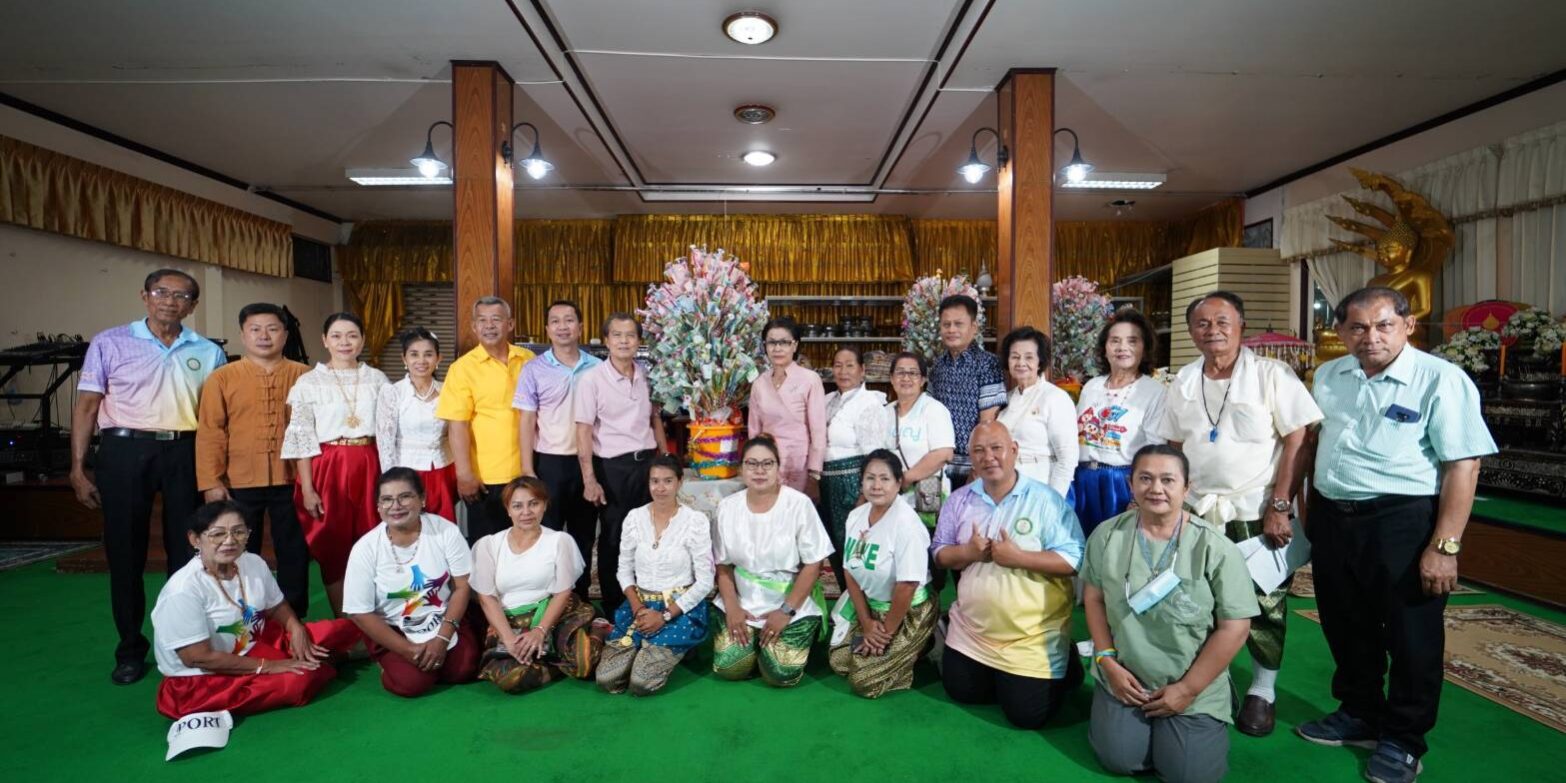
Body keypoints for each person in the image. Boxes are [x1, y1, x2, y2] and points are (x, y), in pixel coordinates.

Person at [1296, 287, 1497, 783]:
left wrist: (1445, 546)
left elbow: (1463, 466)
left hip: (1403, 521)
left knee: (1412, 636)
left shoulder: (1440, 379)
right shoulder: (1329, 375)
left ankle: (1404, 739)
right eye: (1358, 327)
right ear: (1340, 332)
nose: (1371, 337)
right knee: (1345, 623)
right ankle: (1359, 712)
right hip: (1334, 518)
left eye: (1384, 325)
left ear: (1408, 326)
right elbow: (1312, 444)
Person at [1152, 290, 1322, 737]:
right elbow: (1173, 446)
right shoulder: (1184, 379)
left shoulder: (1271, 374)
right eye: (1202, 323)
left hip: (1256, 509)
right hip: (1197, 510)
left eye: (1222, 321)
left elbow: (1299, 439)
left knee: (1264, 602)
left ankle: (1262, 691)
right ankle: (1212, 679)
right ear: (1191, 332)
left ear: (1241, 325)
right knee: (1197, 599)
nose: (1213, 331)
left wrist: (1280, 505)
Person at [71, 268, 227, 684]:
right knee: (125, 554)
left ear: (193, 306)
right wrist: (78, 467)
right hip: (124, 450)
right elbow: (86, 407)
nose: (170, 301)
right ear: (145, 296)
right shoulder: (109, 342)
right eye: (161, 292)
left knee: (187, 555)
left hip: (184, 450)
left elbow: (215, 419)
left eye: (181, 296)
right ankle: (129, 651)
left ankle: (184, 645)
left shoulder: (208, 351)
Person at [1082, 445, 1259, 783]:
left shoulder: (1215, 547)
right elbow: (1094, 599)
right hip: (1126, 677)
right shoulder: (1107, 535)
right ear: (1130, 484)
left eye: (1168, 480)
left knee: (1188, 775)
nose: (1156, 488)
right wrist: (1107, 660)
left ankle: (1200, 715)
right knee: (1119, 759)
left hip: (1191, 682)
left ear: (1186, 488)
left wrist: (1188, 689)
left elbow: (1235, 627)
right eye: (1145, 478)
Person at [932, 421, 1085, 729]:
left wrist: (1019, 558)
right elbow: (939, 553)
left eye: (996, 448)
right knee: (962, 691)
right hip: (973, 631)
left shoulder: (1045, 499)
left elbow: (1075, 559)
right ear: (971, 458)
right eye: (979, 450)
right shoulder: (959, 500)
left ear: (1014, 451)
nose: (988, 457)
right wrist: (969, 553)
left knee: (1026, 715)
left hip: (1031, 635)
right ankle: (1004, 675)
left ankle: (1064, 660)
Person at [150, 501, 362, 719]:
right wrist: (268, 666)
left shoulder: (252, 562)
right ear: (195, 539)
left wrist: (296, 628)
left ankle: (323, 660)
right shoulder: (182, 590)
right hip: (205, 676)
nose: (229, 541)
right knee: (300, 681)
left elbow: (277, 606)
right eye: (218, 534)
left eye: (238, 532)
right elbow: (197, 658)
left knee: (342, 629)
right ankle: (330, 660)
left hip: (254, 645)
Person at [196, 303, 312, 617]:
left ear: (285, 335)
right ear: (243, 335)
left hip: (293, 480)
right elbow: (210, 432)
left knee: (294, 552)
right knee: (240, 552)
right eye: (255, 329)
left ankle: (294, 621)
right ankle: (243, 619)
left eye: (272, 329)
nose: (264, 336)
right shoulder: (222, 378)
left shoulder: (306, 376)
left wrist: (313, 482)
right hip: (238, 481)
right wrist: (211, 481)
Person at [281, 312, 389, 614]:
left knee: (375, 540)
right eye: (337, 336)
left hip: (371, 464)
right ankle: (345, 621)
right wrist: (307, 489)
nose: (345, 342)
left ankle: (376, 621)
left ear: (363, 340)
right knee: (333, 544)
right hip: (328, 468)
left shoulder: (377, 379)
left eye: (352, 335)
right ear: (325, 340)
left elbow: (388, 430)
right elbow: (302, 438)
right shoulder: (309, 382)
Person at [343, 468, 481, 697]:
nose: (395, 506)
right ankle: (386, 663)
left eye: (405, 496)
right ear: (378, 507)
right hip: (394, 627)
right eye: (387, 499)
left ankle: (436, 659)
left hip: (441, 617)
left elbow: (462, 586)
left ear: (422, 499)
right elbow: (359, 613)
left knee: (464, 670)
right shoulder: (365, 548)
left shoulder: (445, 531)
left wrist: (442, 638)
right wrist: (407, 650)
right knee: (412, 684)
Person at [712, 435, 835, 687]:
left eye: (767, 463)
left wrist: (786, 611)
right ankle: (755, 645)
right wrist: (733, 607)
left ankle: (776, 645)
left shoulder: (798, 504)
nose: (759, 471)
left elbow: (814, 563)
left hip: (789, 601)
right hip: (744, 602)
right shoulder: (727, 508)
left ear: (778, 467)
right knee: (729, 667)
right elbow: (722, 565)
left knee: (779, 672)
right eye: (752, 463)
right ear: (741, 468)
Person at [574, 312, 669, 617]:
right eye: (617, 335)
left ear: (639, 341)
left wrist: (665, 458)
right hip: (612, 468)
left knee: (649, 533)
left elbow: (655, 419)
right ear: (606, 340)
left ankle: (647, 596)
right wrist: (589, 479)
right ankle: (615, 605)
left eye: (630, 335)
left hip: (647, 466)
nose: (624, 341)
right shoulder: (591, 380)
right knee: (614, 537)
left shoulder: (646, 376)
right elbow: (583, 431)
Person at [471, 476, 604, 693]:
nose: (526, 512)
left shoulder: (560, 541)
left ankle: (598, 630)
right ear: (508, 509)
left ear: (544, 505)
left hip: (554, 616)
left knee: (586, 663)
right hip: (509, 621)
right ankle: (554, 661)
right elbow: (487, 598)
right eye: (518, 506)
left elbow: (562, 592)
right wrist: (509, 639)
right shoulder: (489, 545)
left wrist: (540, 631)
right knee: (512, 679)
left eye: (533, 504)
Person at [598, 455, 714, 696]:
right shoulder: (634, 517)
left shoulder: (695, 521)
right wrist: (638, 609)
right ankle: (646, 647)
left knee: (641, 683)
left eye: (668, 481)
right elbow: (623, 570)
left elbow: (705, 581)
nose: (660, 488)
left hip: (678, 609)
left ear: (680, 482)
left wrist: (665, 615)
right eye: (655, 481)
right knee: (606, 679)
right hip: (639, 608)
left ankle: (677, 646)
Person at [827, 449, 935, 699]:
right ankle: (908, 651)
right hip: (870, 607)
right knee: (840, 662)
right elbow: (849, 570)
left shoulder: (906, 524)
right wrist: (866, 622)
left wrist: (883, 635)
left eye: (885, 478)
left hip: (905, 611)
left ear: (898, 483)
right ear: (861, 482)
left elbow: (907, 586)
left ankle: (924, 640)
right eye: (870, 478)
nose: (876, 486)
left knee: (865, 682)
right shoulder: (856, 516)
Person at [514, 300, 602, 602]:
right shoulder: (533, 369)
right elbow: (527, 420)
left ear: (580, 327)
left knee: (583, 536)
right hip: (549, 464)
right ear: (547, 329)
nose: (562, 327)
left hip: (588, 464)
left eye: (569, 320)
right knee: (546, 534)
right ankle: (545, 602)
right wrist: (527, 469)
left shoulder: (597, 368)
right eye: (555, 321)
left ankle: (579, 602)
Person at [436, 296, 536, 546]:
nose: (489, 326)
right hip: (486, 477)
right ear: (474, 327)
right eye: (482, 320)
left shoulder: (529, 360)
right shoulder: (462, 368)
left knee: (527, 543)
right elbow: (457, 425)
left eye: (496, 319)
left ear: (510, 324)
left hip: (529, 470)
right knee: (487, 548)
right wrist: (464, 474)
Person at [1075, 308, 1168, 536]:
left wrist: (1139, 496)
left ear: (1144, 348)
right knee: (1080, 547)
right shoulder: (1091, 387)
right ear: (1105, 348)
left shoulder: (1154, 391)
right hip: (1083, 480)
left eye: (1132, 341)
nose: (1122, 347)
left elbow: (1155, 450)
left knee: (1116, 546)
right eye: (1115, 341)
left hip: (1121, 484)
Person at [820, 347, 890, 587]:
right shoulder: (827, 400)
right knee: (833, 546)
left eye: (850, 365)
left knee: (856, 546)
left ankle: (864, 600)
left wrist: (865, 494)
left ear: (862, 370)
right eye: (838, 365)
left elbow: (875, 455)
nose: (843, 371)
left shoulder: (869, 402)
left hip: (853, 483)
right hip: (826, 483)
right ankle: (845, 598)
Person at [376, 327, 457, 521]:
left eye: (428, 354)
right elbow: (385, 442)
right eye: (414, 354)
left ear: (438, 358)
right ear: (404, 359)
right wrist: (391, 482)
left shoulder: (449, 391)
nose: (421, 361)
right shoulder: (393, 392)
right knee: (409, 524)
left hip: (443, 469)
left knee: (442, 525)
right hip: (406, 472)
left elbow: (456, 433)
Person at [927, 295, 1006, 487]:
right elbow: (928, 414)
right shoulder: (937, 366)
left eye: (958, 324)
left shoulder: (987, 364)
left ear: (974, 327)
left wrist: (978, 468)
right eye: (946, 324)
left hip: (973, 470)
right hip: (939, 467)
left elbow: (988, 422)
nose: (951, 330)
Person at [747, 316, 826, 497]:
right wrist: (754, 464)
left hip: (800, 465)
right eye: (771, 342)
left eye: (784, 342)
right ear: (765, 346)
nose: (777, 348)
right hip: (766, 464)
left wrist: (814, 474)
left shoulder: (810, 379)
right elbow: (754, 432)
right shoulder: (759, 383)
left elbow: (818, 431)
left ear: (795, 345)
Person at [997, 326, 1079, 497]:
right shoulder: (1006, 398)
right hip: (1006, 488)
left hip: (1040, 487)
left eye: (1029, 357)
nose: (1021, 363)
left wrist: (1053, 501)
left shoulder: (1055, 397)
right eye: (1015, 357)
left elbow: (1067, 459)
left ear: (1039, 361)